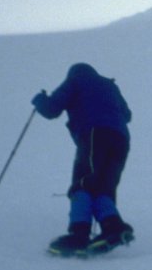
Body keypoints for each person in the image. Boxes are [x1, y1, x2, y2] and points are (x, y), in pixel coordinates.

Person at [32, 63, 135, 256]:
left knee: (83, 183)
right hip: (121, 138)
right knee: (104, 186)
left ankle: (79, 234)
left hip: (94, 134)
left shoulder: (76, 80)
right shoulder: (110, 85)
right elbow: (127, 115)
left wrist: (40, 100)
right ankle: (113, 227)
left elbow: (51, 109)